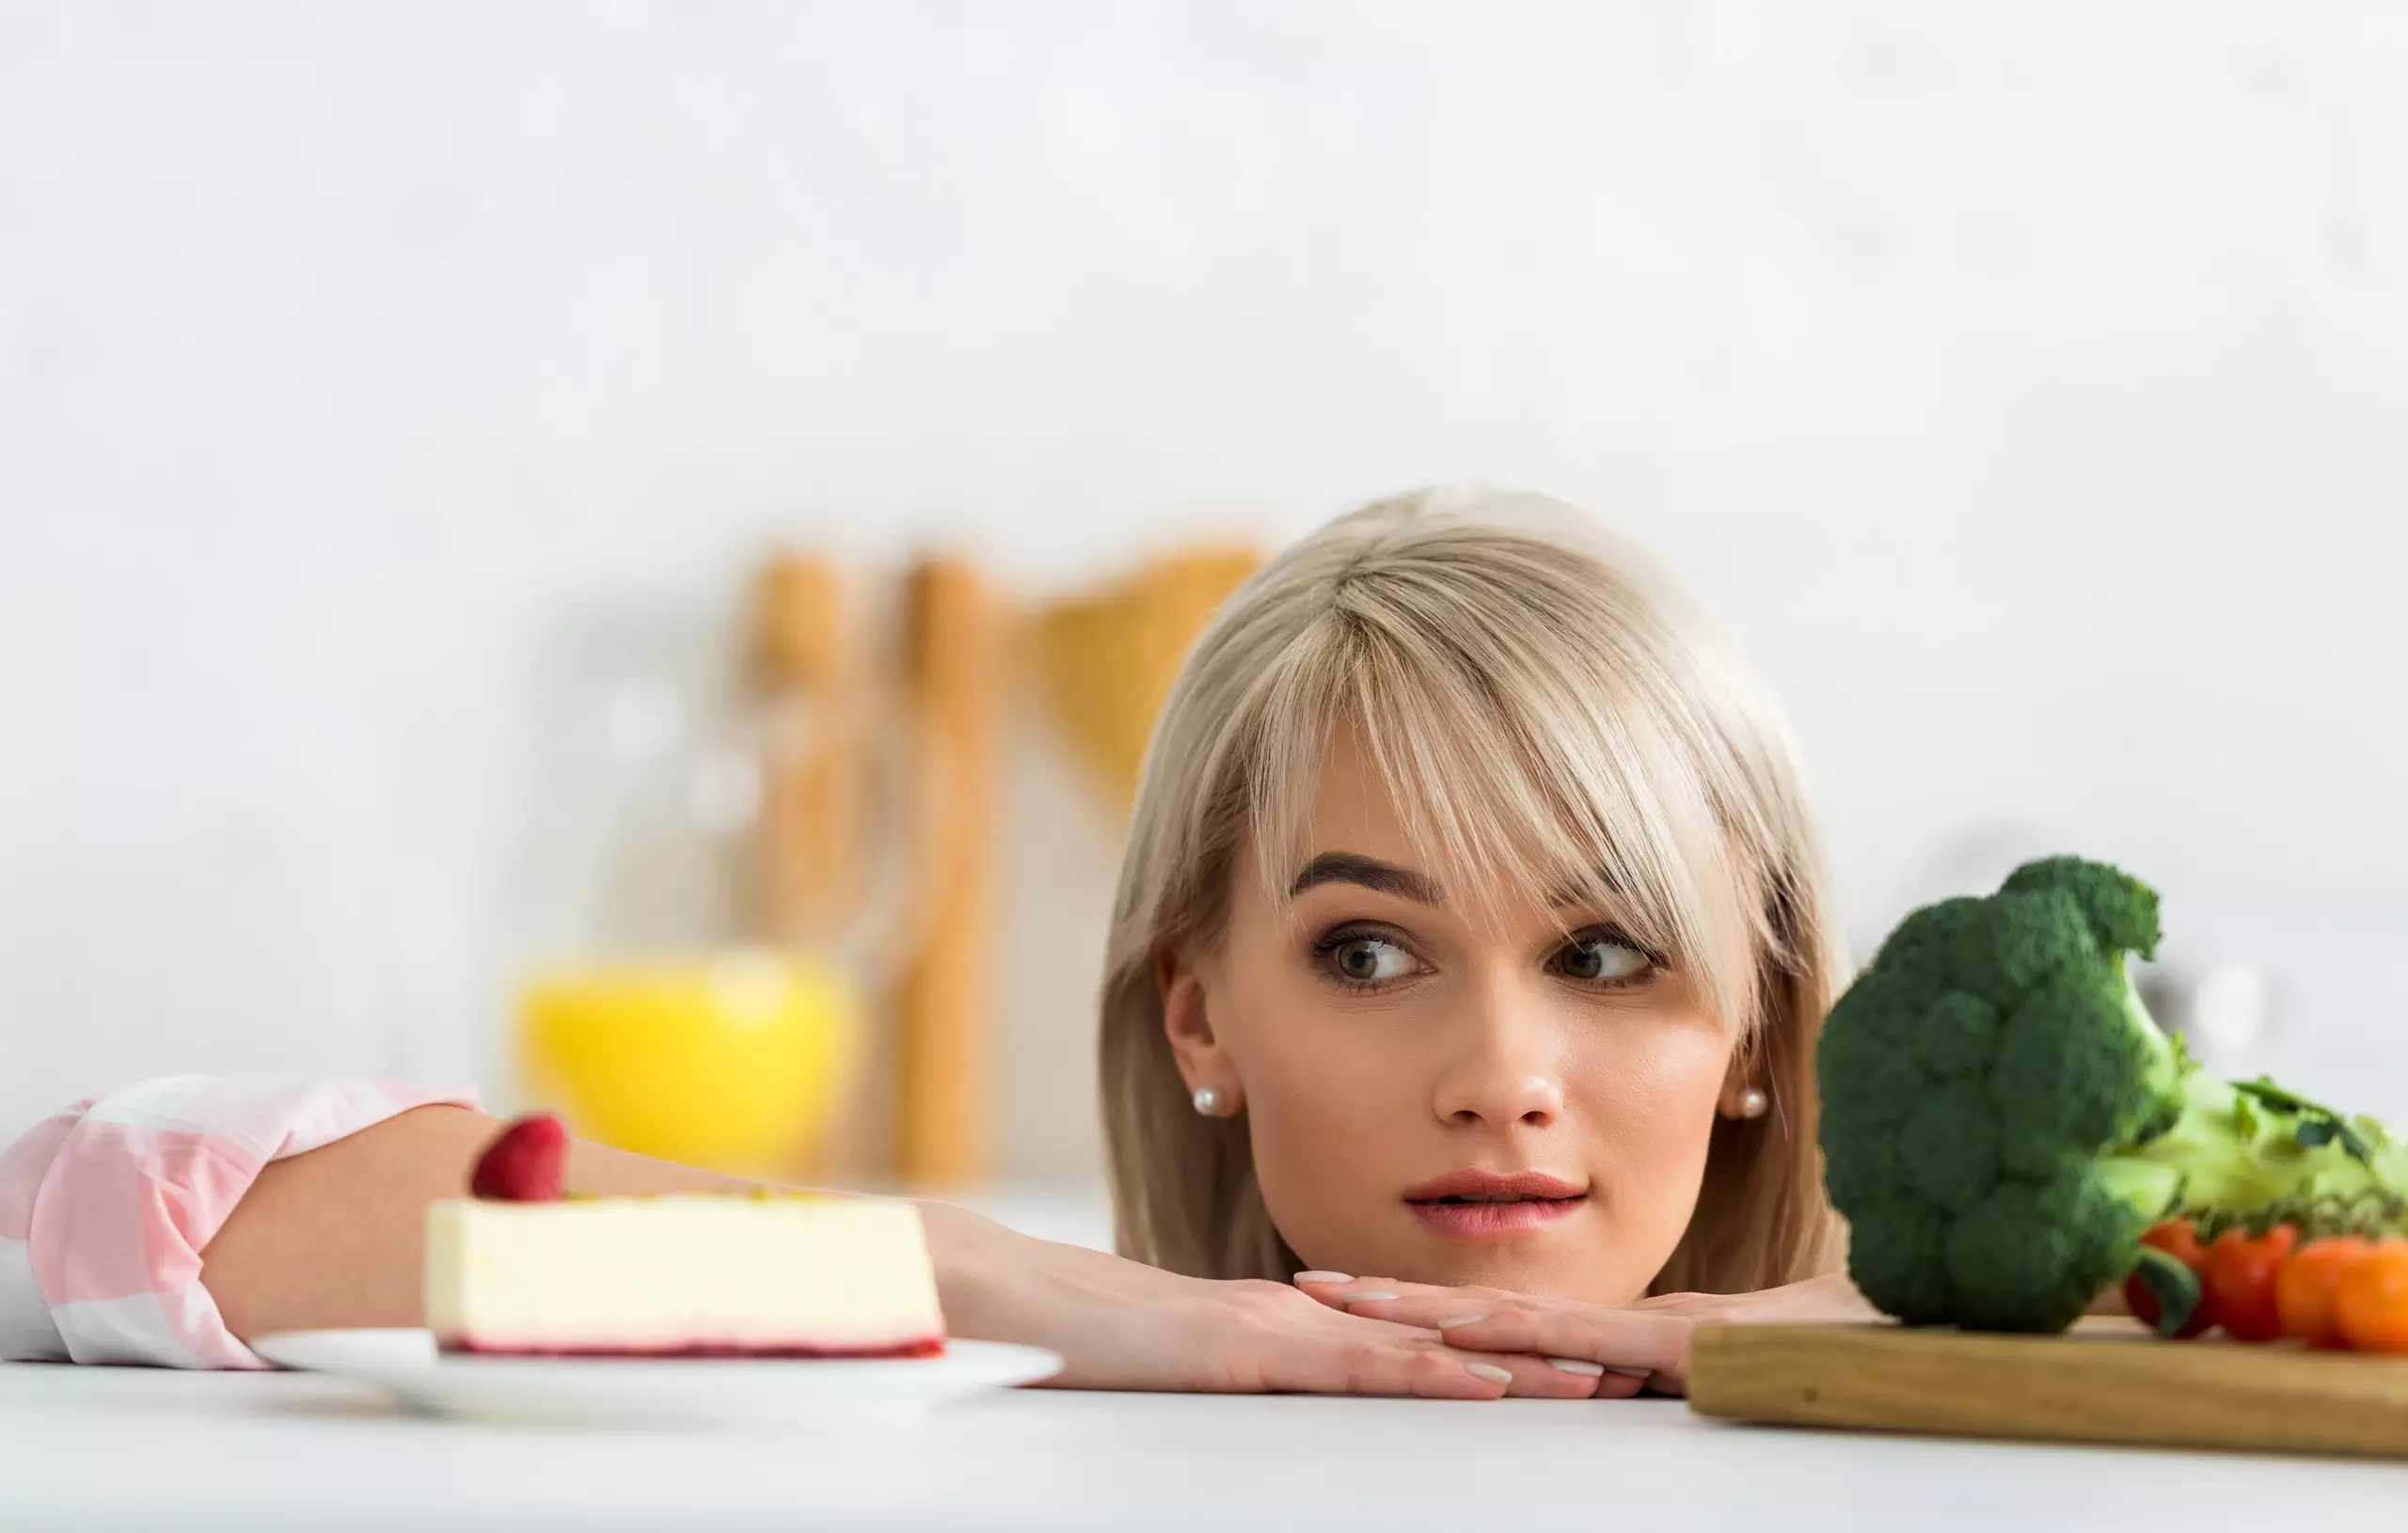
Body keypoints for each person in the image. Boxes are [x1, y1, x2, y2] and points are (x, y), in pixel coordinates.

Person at [0, 488, 1868, 1395]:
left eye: (1606, 954)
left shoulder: (2021, 1363)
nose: (1497, 1079)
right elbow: (110, 1203)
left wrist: (1879, 1332)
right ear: (1198, 1014)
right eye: (1369, 952)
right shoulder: (1006, 1368)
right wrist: (997, 1279)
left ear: (1763, 1023)